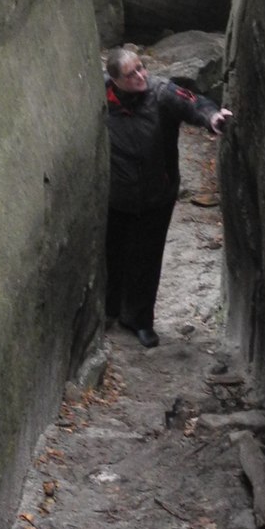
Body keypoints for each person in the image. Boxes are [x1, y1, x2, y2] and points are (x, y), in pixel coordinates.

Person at [103, 46, 231, 347]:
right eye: (131, 74)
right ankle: (109, 310)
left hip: (155, 196)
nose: (141, 76)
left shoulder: (160, 92)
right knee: (113, 255)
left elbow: (193, 103)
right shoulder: (101, 99)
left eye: (141, 68)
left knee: (146, 259)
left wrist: (212, 116)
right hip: (115, 196)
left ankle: (139, 320)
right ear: (116, 81)